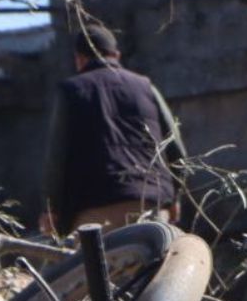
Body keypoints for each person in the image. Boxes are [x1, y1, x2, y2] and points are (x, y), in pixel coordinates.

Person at [39, 23, 186, 235]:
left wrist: (50, 209)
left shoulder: (70, 92)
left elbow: (57, 157)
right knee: (154, 267)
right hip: (150, 202)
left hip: (94, 209)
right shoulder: (146, 87)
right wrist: (174, 198)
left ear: (79, 59)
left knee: (97, 267)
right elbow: (176, 148)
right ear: (116, 55)